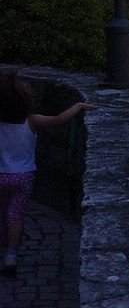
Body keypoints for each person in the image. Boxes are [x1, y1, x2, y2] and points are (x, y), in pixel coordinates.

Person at [0, 72, 98, 277]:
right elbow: (59, 119)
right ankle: (11, 255)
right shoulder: (32, 122)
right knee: (16, 215)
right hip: (23, 176)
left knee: (4, 212)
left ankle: (5, 241)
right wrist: (78, 106)